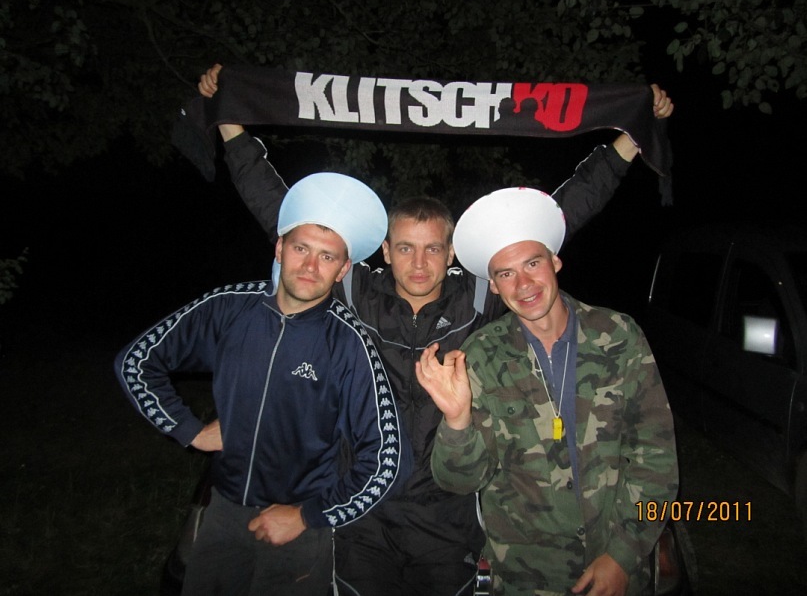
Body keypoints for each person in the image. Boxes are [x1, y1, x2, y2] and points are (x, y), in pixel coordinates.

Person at [196, 64, 674, 596]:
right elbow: (286, 220)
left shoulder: (479, 297)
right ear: (385, 251)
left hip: (448, 516)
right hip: (365, 513)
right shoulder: (355, 293)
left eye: (432, 249)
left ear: (451, 254)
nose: (419, 264)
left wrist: (629, 141)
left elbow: (559, 217)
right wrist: (230, 124)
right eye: (405, 248)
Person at [113, 171, 410, 596]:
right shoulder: (229, 308)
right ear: (280, 248)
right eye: (301, 248)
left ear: (343, 269)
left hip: (298, 533)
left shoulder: (349, 344)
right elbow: (136, 361)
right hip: (221, 513)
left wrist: (307, 516)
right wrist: (190, 430)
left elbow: (386, 459)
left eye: (327, 257)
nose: (310, 266)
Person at [415, 187, 679, 596]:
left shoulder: (618, 335)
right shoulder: (480, 355)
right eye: (506, 274)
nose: (523, 284)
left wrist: (623, 555)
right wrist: (457, 420)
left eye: (532, 263)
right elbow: (459, 481)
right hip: (526, 578)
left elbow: (655, 458)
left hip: (618, 571)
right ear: (494, 286)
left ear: (555, 261)